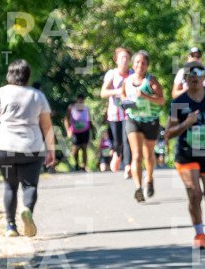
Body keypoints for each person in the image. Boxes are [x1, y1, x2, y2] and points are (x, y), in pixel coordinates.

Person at [0, 59, 55, 237]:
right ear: (28, 76)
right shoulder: (37, 96)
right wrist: (51, 149)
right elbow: (47, 126)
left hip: (3, 148)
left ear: (9, 74)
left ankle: (10, 226)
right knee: (30, 185)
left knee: (9, 186)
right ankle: (27, 209)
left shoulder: (0, 93)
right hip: (31, 148)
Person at [166, 62, 205, 247]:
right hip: (187, 154)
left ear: (204, 77)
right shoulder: (179, 102)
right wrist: (186, 124)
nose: (194, 76)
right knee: (195, 195)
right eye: (190, 73)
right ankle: (200, 234)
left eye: (198, 73)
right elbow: (168, 133)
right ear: (185, 79)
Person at [121, 50, 165, 202]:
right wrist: (126, 101)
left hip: (151, 121)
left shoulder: (151, 81)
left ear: (147, 65)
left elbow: (161, 100)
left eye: (143, 63)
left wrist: (145, 96)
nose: (140, 65)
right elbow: (122, 95)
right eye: (137, 62)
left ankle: (149, 179)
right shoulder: (127, 81)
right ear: (133, 64)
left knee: (148, 154)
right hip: (134, 120)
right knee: (137, 155)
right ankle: (138, 188)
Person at [100, 48, 132, 176]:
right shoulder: (112, 74)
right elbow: (103, 93)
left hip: (129, 113)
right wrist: (117, 91)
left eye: (126, 58)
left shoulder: (132, 74)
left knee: (127, 139)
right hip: (115, 113)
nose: (124, 60)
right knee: (118, 141)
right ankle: (117, 154)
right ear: (116, 60)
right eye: (121, 58)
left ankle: (128, 166)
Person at [65, 96, 93, 171]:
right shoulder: (71, 108)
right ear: (76, 101)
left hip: (85, 131)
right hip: (75, 132)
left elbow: (90, 120)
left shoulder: (86, 108)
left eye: (82, 101)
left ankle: (84, 165)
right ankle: (76, 164)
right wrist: (68, 130)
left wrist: (92, 130)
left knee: (84, 148)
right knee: (75, 149)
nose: (80, 102)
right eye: (79, 101)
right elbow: (66, 119)